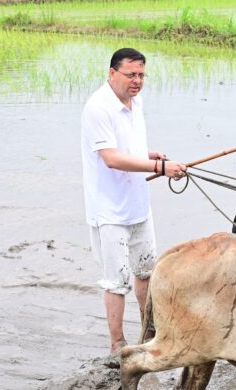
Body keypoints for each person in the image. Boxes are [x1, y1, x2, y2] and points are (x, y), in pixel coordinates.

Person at [80, 48, 186, 354]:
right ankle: (117, 345)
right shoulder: (98, 107)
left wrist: (148, 154)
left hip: (138, 205)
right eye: (131, 75)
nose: (137, 81)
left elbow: (127, 145)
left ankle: (148, 332)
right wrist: (159, 168)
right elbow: (111, 158)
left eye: (141, 75)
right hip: (109, 211)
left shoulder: (135, 102)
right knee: (116, 282)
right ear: (112, 73)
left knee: (145, 272)